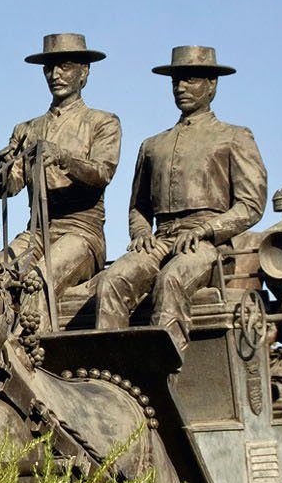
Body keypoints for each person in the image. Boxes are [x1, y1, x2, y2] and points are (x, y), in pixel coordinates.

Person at [95, 45, 267, 348]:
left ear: (212, 85)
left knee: (171, 280)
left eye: (191, 80)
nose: (181, 88)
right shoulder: (153, 145)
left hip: (207, 246)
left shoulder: (235, 136)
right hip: (160, 240)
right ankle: (111, 373)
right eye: (176, 81)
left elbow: (251, 205)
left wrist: (206, 231)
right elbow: (139, 206)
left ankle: (165, 373)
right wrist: (141, 232)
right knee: (112, 280)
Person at [0, 32, 121, 300]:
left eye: (65, 67)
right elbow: (10, 186)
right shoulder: (26, 129)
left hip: (82, 235)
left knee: (39, 280)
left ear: (84, 72)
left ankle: (31, 341)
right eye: (50, 68)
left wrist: (63, 158)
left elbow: (102, 173)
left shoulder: (103, 123)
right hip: (36, 234)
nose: (55, 75)